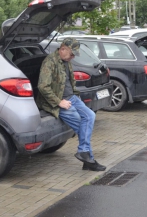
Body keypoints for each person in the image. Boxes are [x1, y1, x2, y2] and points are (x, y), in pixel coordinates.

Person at [36, 37, 106, 171]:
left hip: (72, 98)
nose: (73, 57)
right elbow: (43, 86)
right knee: (82, 126)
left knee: (90, 116)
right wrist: (59, 102)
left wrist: (76, 96)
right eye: (71, 53)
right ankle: (88, 159)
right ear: (63, 49)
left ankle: (85, 154)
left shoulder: (66, 61)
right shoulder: (49, 62)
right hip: (57, 102)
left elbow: (70, 82)